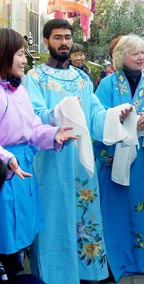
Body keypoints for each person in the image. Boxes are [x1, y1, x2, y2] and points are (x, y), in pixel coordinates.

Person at [22, 19, 131, 284]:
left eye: (68, 37)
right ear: (46, 41)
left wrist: (114, 116)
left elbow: (94, 113)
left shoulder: (82, 77)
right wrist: (59, 113)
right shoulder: (34, 78)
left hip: (81, 160)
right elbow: (33, 116)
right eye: (58, 37)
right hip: (51, 159)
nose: (64, 43)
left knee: (84, 212)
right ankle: (54, 274)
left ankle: (84, 272)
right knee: (53, 216)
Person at [94, 34, 144, 281]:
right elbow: (97, 115)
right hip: (115, 155)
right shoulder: (108, 84)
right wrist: (117, 117)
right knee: (115, 207)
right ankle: (113, 259)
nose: (141, 57)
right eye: (134, 53)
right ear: (121, 57)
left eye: (143, 53)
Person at [0, 28, 76, 283]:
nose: (25, 60)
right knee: (6, 237)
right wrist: (6, 158)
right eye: (20, 54)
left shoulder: (19, 91)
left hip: (22, 174)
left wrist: (54, 134)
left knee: (21, 236)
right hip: (5, 176)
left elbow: (32, 127)